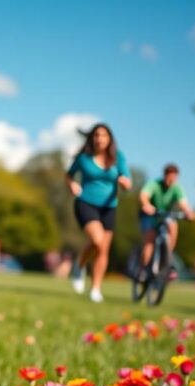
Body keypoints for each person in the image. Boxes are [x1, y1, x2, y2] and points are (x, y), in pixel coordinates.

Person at [65, 124, 132, 303]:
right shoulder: (84, 158)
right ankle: (80, 264)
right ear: (92, 138)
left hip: (109, 206)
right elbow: (69, 175)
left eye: (103, 135)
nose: (99, 139)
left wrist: (125, 183)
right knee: (97, 240)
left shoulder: (118, 157)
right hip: (86, 202)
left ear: (110, 139)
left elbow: (127, 180)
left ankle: (95, 289)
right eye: (96, 135)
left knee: (103, 249)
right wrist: (72, 184)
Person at [137, 164, 195, 280]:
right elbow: (144, 195)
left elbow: (183, 203)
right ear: (164, 176)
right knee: (150, 238)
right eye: (170, 178)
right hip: (150, 215)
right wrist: (146, 204)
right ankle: (143, 269)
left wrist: (189, 212)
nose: (171, 181)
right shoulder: (154, 184)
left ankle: (168, 259)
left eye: (174, 178)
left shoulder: (177, 188)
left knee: (173, 225)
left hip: (165, 216)